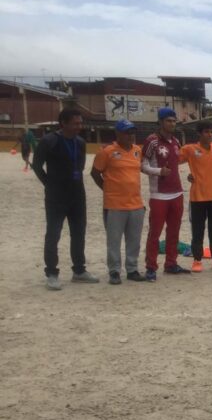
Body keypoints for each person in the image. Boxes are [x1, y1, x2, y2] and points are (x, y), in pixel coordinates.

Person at [32, 108, 98, 290]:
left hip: (77, 194)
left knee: (79, 233)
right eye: (76, 123)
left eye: (80, 123)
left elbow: (80, 166)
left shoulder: (80, 142)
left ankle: (79, 271)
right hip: (56, 197)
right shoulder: (49, 141)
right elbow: (36, 166)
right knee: (53, 234)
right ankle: (52, 273)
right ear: (64, 123)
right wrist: (49, 184)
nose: (79, 126)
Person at [90, 119, 146, 284]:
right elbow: (95, 173)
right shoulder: (107, 152)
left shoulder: (137, 151)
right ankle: (114, 271)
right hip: (114, 205)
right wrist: (107, 189)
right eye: (127, 132)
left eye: (132, 132)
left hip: (136, 204)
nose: (131, 136)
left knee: (134, 240)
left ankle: (132, 269)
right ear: (118, 134)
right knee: (113, 241)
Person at [141, 107, 188, 280]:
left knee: (174, 231)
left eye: (174, 121)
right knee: (155, 232)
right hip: (159, 194)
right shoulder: (152, 141)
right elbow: (143, 166)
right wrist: (159, 171)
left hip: (177, 192)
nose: (172, 124)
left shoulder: (176, 141)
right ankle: (151, 267)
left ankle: (171, 263)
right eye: (168, 121)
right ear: (160, 122)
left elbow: (176, 163)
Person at [180, 120, 212, 273]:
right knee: (197, 230)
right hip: (197, 198)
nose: (210, 134)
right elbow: (173, 161)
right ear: (199, 133)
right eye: (207, 132)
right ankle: (197, 260)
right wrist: (189, 175)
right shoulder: (189, 149)